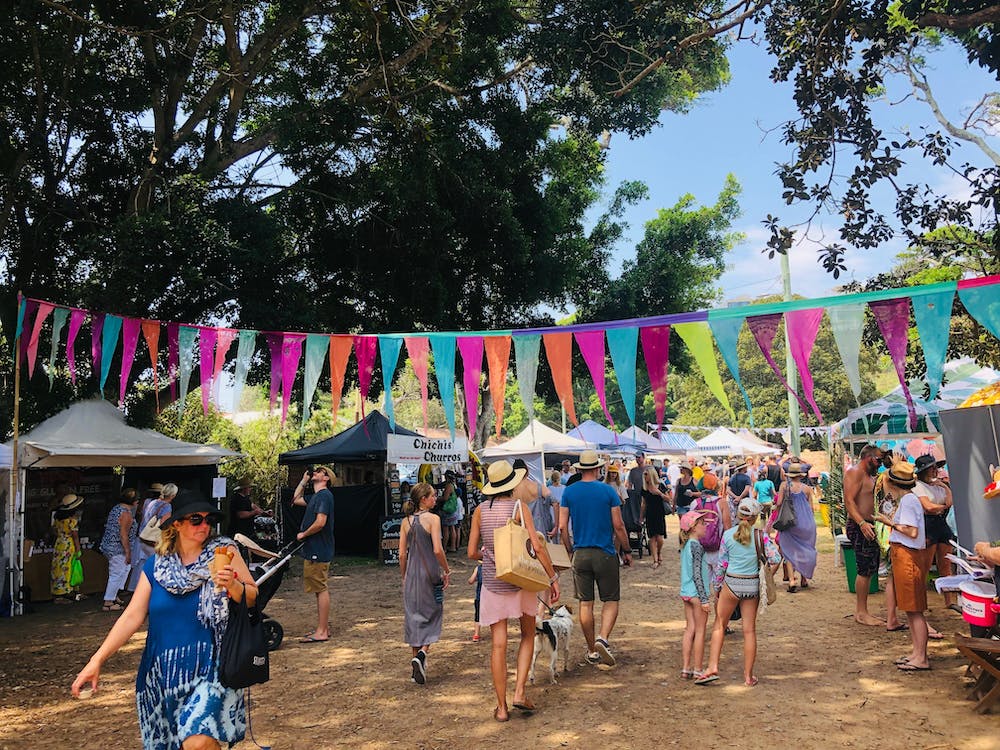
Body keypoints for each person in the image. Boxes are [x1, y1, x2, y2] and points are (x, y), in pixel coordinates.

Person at [72, 490, 256, 750]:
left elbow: (252, 596)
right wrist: (96, 660)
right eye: (196, 519)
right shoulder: (156, 566)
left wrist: (234, 586)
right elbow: (132, 616)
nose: (204, 525)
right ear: (177, 524)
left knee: (198, 740)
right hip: (161, 672)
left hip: (212, 665)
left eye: (208, 520)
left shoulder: (224, 553)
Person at [467, 460, 560, 722]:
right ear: (512, 484)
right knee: (528, 634)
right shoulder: (520, 508)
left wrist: (488, 554)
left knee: (498, 645)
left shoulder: (479, 511)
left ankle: (501, 707)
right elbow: (538, 547)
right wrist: (552, 577)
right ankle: (519, 692)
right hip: (520, 580)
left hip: (494, 584)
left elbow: (472, 552)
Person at [697, 499, 781, 687]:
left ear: (738, 515)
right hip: (751, 585)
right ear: (755, 517)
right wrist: (767, 576)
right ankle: (748, 676)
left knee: (719, 625)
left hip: (732, 583)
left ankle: (712, 667)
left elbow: (722, 565)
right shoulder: (761, 536)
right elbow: (776, 558)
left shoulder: (727, 536)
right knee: (749, 630)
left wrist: (717, 588)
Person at [559, 450, 631, 667]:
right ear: (598, 468)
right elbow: (618, 525)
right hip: (605, 552)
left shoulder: (569, 492)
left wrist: (570, 549)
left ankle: (592, 650)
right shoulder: (608, 491)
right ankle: (603, 637)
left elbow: (562, 526)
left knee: (585, 603)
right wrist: (626, 550)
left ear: (580, 469)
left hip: (580, 553)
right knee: (610, 599)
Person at [874, 462, 932, 671]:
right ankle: (917, 653)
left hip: (908, 555)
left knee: (915, 610)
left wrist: (890, 524)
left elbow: (912, 531)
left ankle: (921, 657)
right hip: (904, 554)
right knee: (910, 608)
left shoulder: (908, 501)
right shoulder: (909, 499)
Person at [399, 482, 450, 684]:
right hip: (430, 572)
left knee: (414, 616)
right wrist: (446, 570)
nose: (435, 498)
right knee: (433, 613)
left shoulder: (405, 522)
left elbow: (402, 554)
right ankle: (422, 654)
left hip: (412, 573)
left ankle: (415, 666)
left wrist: (404, 576)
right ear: (423, 499)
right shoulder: (434, 519)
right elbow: (438, 550)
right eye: (433, 496)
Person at [843, 444, 887, 625]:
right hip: (859, 524)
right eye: (878, 460)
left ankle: (864, 610)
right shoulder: (855, 472)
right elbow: (849, 501)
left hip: (870, 525)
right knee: (864, 568)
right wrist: (861, 523)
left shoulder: (871, 475)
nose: (880, 464)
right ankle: (861, 612)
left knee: (870, 568)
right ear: (868, 458)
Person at [292, 464, 336, 644]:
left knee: (320, 588)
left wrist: (303, 534)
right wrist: (303, 480)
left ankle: (322, 631)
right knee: (319, 589)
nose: (315, 472)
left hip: (319, 548)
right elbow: (296, 499)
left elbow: (320, 522)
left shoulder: (324, 496)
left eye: (320, 471)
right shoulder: (317, 497)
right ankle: (322, 627)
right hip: (314, 549)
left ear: (326, 478)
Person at [913, 455, 956, 610]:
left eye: (936, 467)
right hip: (927, 523)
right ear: (924, 471)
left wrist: (944, 487)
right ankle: (920, 600)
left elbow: (949, 502)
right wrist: (942, 506)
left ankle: (949, 601)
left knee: (946, 564)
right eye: (932, 468)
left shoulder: (939, 485)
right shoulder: (917, 486)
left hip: (940, 523)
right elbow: (928, 507)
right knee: (924, 565)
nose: (936, 470)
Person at [679, 510, 714, 679]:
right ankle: (698, 668)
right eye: (702, 524)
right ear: (693, 528)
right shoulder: (697, 547)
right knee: (700, 631)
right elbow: (698, 574)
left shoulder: (686, 546)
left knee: (689, 629)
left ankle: (686, 667)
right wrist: (704, 599)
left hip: (686, 592)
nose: (705, 526)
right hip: (697, 593)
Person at [773, 462, 817, 592]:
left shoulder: (784, 486)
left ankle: (792, 581)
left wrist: (775, 511)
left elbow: (779, 502)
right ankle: (804, 579)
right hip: (806, 522)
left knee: (788, 550)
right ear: (800, 475)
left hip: (789, 522)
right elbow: (811, 508)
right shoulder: (807, 489)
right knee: (805, 549)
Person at [101, 489, 139, 611]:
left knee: (123, 571)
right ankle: (108, 602)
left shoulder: (116, 509)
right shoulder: (126, 514)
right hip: (117, 548)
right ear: (134, 502)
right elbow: (124, 534)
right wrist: (128, 552)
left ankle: (113, 595)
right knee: (117, 573)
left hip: (111, 546)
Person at [51, 493, 85, 602]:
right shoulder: (72, 521)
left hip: (59, 544)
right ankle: (68, 591)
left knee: (58, 568)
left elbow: (54, 531)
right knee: (68, 567)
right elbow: (75, 537)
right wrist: (78, 550)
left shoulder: (58, 519)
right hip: (69, 545)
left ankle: (58, 592)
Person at [640, 466, 673, 569]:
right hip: (649, 513)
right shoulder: (644, 488)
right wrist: (641, 517)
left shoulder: (660, 486)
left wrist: (659, 493)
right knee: (651, 537)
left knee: (659, 538)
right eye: (644, 475)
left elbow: (669, 499)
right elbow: (643, 503)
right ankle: (655, 559)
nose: (645, 477)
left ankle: (658, 553)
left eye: (647, 474)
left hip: (659, 513)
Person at [439, 473, 462, 553]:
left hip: (448, 510)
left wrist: (437, 499)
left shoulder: (448, 486)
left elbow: (445, 498)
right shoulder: (454, 485)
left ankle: (444, 548)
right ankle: (453, 546)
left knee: (446, 529)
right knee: (452, 528)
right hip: (453, 509)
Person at [467, 562, 483, 643]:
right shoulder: (495, 568)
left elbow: (471, 581)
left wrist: (475, 578)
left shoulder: (479, 568)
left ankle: (476, 634)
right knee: (493, 615)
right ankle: (496, 633)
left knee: (477, 616)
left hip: (479, 598)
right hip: (491, 598)